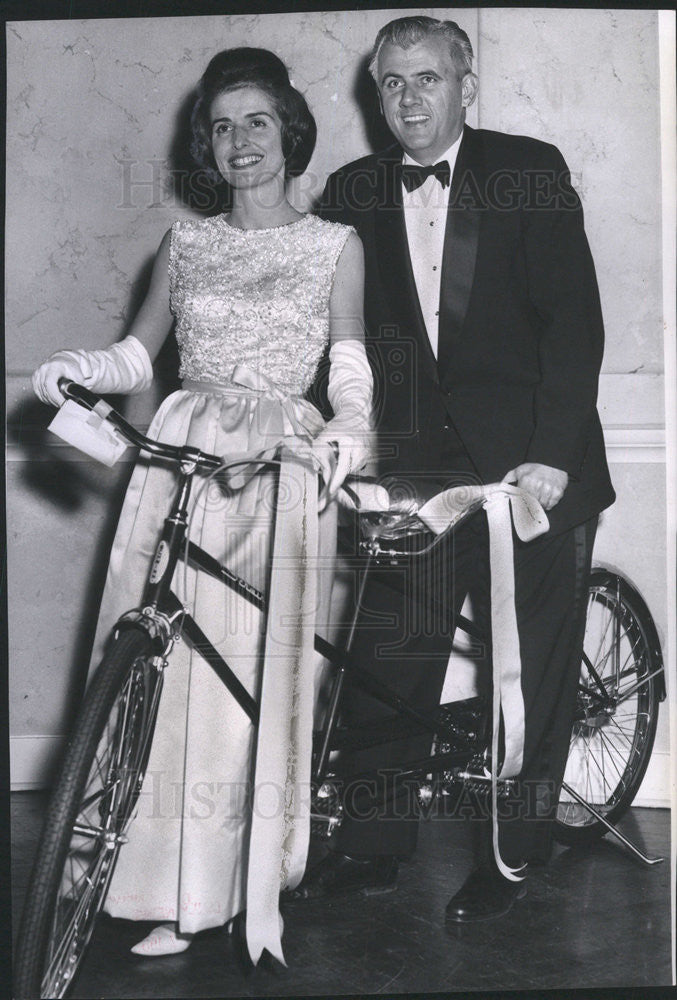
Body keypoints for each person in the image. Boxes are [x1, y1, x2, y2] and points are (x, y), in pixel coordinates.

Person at [31, 47, 375, 965]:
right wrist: (77, 371)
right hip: (180, 460)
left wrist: (348, 428)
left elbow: (348, 364)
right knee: (164, 669)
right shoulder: (184, 243)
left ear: (289, 130)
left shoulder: (334, 244)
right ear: (206, 146)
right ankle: (159, 886)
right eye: (221, 127)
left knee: (246, 681)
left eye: (256, 120)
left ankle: (227, 887)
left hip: (278, 465)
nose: (239, 141)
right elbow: (138, 356)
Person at [292, 16, 615, 922]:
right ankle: (368, 846)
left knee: (530, 670)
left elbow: (573, 327)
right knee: (388, 659)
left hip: (533, 472)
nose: (408, 99)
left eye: (426, 79)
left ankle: (513, 856)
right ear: (373, 88)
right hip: (416, 475)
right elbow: (333, 336)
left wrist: (550, 458)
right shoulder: (353, 190)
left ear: (464, 85)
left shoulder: (527, 169)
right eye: (391, 81)